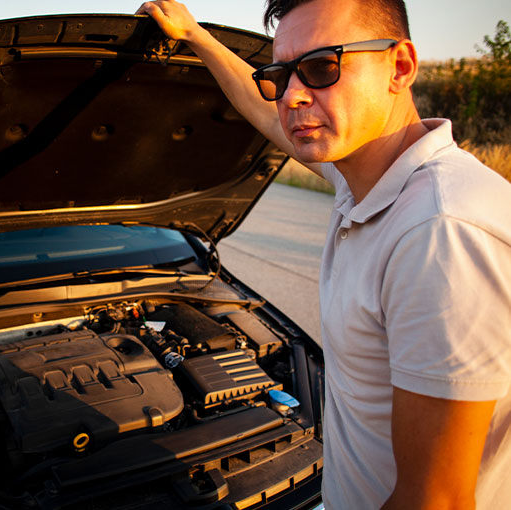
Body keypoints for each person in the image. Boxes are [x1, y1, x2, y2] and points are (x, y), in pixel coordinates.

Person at [135, 1, 511, 509]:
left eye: (320, 67)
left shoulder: (439, 231)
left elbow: (436, 500)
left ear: (399, 67)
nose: (291, 97)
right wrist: (197, 37)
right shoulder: (367, 179)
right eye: (282, 74)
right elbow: (266, 112)